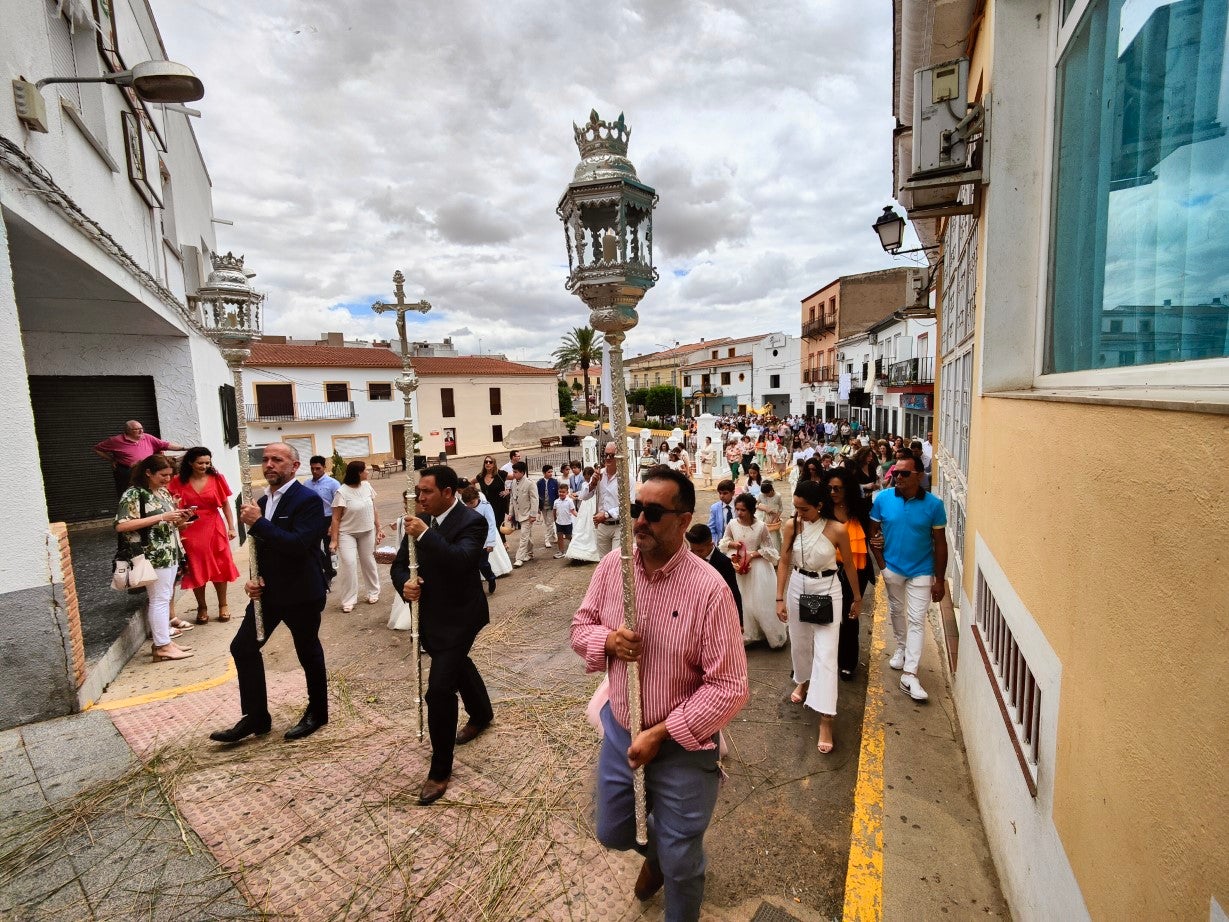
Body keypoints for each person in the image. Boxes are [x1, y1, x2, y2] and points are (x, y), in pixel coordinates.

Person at [571, 467, 748, 919]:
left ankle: (671, 860)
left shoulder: (709, 590)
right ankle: (657, 852)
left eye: (653, 512)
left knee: (682, 862)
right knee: (612, 832)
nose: (639, 521)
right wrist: (608, 641)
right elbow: (581, 627)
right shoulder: (613, 568)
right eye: (636, 509)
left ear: (684, 520)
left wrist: (662, 732)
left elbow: (730, 686)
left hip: (680, 745)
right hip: (621, 730)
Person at [210, 443, 329, 744]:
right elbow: (260, 549)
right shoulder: (263, 501)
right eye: (265, 459)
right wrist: (254, 578)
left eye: (277, 459)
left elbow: (298, 545)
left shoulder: (308, 500)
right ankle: (256, 717)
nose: (269, 464)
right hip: (268, 594)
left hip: (301, 592)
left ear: (295, 466)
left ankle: (318, 712)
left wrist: (259, 522)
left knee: (307, 652)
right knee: (243, 648)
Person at [392, 465, 494, 805]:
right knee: (457, 665)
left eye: (426, 492)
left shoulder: (472, 521)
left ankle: (439, 771)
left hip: (461, 617)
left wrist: (425, 535)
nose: (419, 498)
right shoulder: (419, 519)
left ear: (448, 493)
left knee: (438, 690)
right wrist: (405, 585)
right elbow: (400, 565)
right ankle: (482, 713)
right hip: (430, 617)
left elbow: (462, 561)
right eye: (418, 491)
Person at [775, 479, 861, 753]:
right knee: (800, 644)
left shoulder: (837, 529)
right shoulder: (792, 525)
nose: (799, 513)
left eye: (804, 509)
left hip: (828, 589)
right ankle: (803, 681)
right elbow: (784, 560)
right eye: (796, 508)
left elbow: (849, 565)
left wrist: (857, 598)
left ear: (820, 505)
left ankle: (826, 718)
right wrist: (779, 597)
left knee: (826, 653)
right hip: (798, 586)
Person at [868, 454, 947, 702]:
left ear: (919, 476)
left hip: (922, 570)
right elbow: (872, 533)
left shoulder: (934, 505)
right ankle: (901, 647)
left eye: (904, 473)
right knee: (896, 610)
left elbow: (940, 544)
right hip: (892, 568)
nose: (898, 477)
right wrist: (883, 566)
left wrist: (940, 579)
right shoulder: (883, 499)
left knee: (916, 619)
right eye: (896, 472)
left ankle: (910, 673)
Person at [114, 454, 193, 661]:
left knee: (165, 597)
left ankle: (165, 640)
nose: (167, 479)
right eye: (163, 475)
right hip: (151, 554)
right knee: (159, 599)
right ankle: (162, 645)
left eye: (170, 475)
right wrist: (162, 517)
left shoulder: (163, 492)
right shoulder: (134, 494)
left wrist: (180, 519)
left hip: (170, 551)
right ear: (148, 472)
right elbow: (122, 525)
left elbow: (168, 521)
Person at [169, 447, 239, 624]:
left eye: (207, 462)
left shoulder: (217, 478)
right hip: (190, 527)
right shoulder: (178, 481)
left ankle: (223, 604)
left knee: (220, 565)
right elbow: (171, 505)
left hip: (214, 525)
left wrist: (231, 527)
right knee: (196, 567)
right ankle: (202, 607)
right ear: (190, 463)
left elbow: (225, 505)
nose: (205, 466)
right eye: (200, 463)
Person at [825, 468, 875, 680]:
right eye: (829, 488)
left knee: (850, 615)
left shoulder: (861, 508)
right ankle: (827, 658)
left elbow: (873, 534)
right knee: (828, 616)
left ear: (848, 489)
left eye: (837, 488)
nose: (833, 492)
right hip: (829, 570)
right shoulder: (823, 510)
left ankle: (848, 662)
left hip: (857, 571)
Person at [719, 493, 785, 649]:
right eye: (737, 509)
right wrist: (733, 544)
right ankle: (748, 633)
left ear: (751, 510)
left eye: (743, 510)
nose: (739, 513)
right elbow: (724, 541)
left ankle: (768, 633)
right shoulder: (732, 524)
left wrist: (752, 555)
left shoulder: (761, 526)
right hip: (737, 563)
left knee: (759, 601)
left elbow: (770, 549)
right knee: (743, 600)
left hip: (757, 568)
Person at [329, 461, 384, 613]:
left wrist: (378, 527)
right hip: (347, 533)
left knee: (369, 562)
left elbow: (373, 508)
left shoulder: (367, 486)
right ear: (358, 473)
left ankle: (373, 592)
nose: (368, 472)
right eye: (365, 470)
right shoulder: (342, 492)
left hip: (367, 531)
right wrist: (334, 540)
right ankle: (348, 600)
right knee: (349, 564)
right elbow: (335, 518)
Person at [95, 420, 184, 497]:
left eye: (141, 428)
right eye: (136, 429)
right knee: (128, 492)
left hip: (147, 470)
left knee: (148, 490)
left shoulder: (147, 437)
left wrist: (183, 448)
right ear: (128, 430)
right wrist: (111, 459)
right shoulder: (115, 440)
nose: (141, 431)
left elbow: (165, 445)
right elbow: (98, 449)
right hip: (127, 471)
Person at [685, 523, 743, 625]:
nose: (696, 555)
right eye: (693, 550)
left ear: (711, 544)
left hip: (716, 614)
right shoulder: (689, 558)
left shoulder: (724, 562)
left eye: (700, 551)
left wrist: (739, 621)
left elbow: (733, 592)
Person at [460, 483, 507, 593]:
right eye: (467, 504)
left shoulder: (485, 506)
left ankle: (490, 578)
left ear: (477, 498)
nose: (470, 506)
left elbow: (491, 525)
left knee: (483, 564)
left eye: (472, 503)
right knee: (471, 565)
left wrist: (490, 542)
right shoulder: (464, 508)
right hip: (470, 541)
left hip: (483, 541)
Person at [579, 442, 621, 557]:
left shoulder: (626, 477)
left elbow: (628, 505)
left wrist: (607, 514)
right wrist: (593, 483)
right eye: (605, 455)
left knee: (616, 559)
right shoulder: (598, 474)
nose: (608, 458)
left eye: (612, 455)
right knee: (604, 561)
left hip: (619, 525)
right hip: (602, 526)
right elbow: (583, 496)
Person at [304, 455, 340, 584]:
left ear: (324, 467)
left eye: (318, 468)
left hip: (328, 519)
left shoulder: (333, 484)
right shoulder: (307, 484)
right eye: (312, 468)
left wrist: (333, 525)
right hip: (313, 520)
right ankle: (327, 569)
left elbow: (339, 506)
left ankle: (328, 573)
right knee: (311, 546)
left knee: (328, 547)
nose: (314, 471)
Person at [506, 461, 536, 568]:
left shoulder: (530, 483)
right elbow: (512, 499)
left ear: (522, 472)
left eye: (516, 472)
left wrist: (533, 515)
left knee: (523, 536)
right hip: (519, 514)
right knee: (527, 536)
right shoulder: (514, 483)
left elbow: (534, 500)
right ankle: (530, 553)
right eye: (513, 472)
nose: (513, 474)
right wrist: (511, 513)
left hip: (527, 515)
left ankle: (519, 558)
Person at [475, 456, 509, 538]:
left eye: (490, 462)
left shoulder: (500, 474)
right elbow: (471, 482)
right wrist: (477, 493)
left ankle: (503, 542)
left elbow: (516, 477)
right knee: (488, 524)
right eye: (486, 462)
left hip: (499, 505)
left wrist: (509, 490)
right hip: (486, 505)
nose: (488, 463)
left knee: (499, 524)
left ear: (494, 464)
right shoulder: (480, 476)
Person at [756, 479, 783, 552]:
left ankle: (774, 551)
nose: (765, 495)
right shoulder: (761, 495)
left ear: (771, 490)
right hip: (762, 516)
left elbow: (781, 508)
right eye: (764, 494)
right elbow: (756, 504)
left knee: (773, 535)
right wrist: (763, 508)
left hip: (773, 517)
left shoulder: (778, 496)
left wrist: (776, 518)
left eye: (767, 493)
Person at [706, 479, 736, 545]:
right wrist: (716, 542)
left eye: (725, 493)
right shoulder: (715, 508)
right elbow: (711, 528)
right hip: (722, 542)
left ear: (733, 493)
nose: (722, 496)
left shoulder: (739, 506)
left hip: (737, 541)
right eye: (720, 493)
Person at [552, 482, 577, 558]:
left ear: (567, 492)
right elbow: (554, 511)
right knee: (559, 537)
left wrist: (579, 516)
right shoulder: (556, 501)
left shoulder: (569, 501)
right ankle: (561, 551)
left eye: (563, 492)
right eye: (560, 492)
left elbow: (573, 511)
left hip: (567, 523)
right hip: (559, 522)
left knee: (569, 536)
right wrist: (555, 520)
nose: (561, 493)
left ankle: (576, 548)